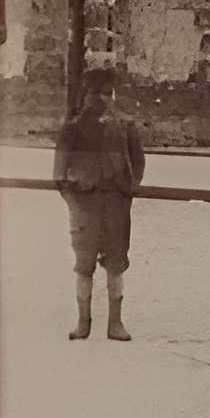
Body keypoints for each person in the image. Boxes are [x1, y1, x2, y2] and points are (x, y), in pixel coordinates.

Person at [52, 70, 146, 343]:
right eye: (98, 94)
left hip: (117, 202)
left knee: (117, 263)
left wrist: (129, 188)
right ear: (87, 95)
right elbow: (60, 170)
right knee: (84, 265)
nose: (104, 100)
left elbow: (138, 161)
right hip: (85, 204)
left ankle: (115, 323)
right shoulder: (73, 127)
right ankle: (83, 323)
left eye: (108, 93)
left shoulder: (126, 125)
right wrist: (73, 199)